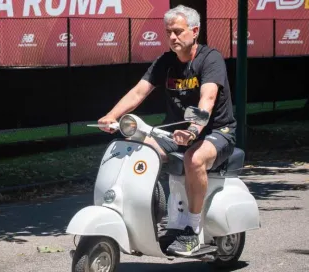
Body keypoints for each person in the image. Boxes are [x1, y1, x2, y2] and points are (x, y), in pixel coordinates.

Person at [97, 5, 237, 257]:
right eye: (168, 32)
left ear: (194, 31)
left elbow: (208, 97)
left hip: (217, 131)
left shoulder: (210, 59)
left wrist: (194, 129)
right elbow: (139, 91)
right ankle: (151, 216)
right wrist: (111, 115)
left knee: (193, 159)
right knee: (141, 151)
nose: (172, 37)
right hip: (176, 133)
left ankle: (192, 231)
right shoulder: (166, 62)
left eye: (178, 31)